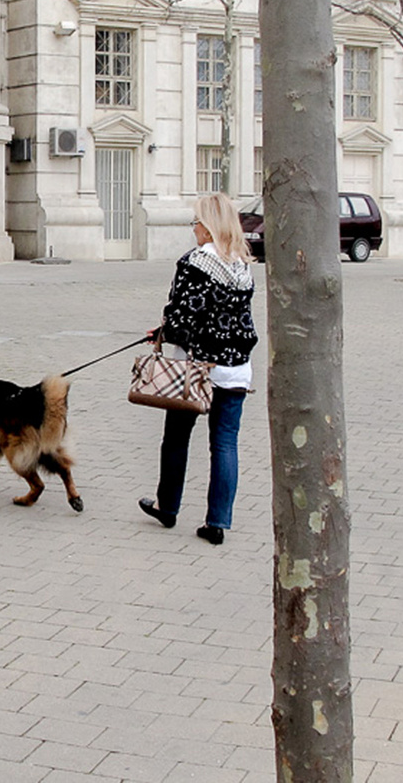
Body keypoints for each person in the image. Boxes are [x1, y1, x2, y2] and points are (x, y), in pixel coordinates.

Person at [138, 192, 258, 545]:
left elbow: (182, 315)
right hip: (236, 368)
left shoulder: (195, 263)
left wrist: (162, 331)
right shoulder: (242, 264)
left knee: (176, 438)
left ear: (207, 226)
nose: (194, 230)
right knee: (225, 444)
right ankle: (217, 522)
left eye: (195, 223)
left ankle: (168, 506)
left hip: (196, 370)